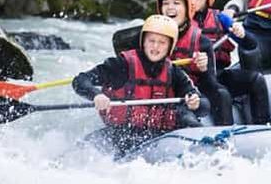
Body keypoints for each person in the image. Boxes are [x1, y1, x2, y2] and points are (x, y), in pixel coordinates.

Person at [73, 15, 201, 157]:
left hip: (161, 135)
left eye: (162, 42)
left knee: (187, 117)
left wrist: (194, 99)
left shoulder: (174, 72)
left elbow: (198, 99)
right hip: (122, 134)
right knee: (82, 151)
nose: (155, 47)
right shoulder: (121, 65)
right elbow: (80, 80)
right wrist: (96, 94)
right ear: (143, 42)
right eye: (151, 41)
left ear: (170, 46)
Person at [181, 0, 271, 124]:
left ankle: (263, 125)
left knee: (256, 80)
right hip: (192, 79)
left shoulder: (220, 18)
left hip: (219, 74)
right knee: (221, 93)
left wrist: (241, 34)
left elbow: (251, 44)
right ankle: (224, 138)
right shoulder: (177, 20)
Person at [157, 0, 234, 126]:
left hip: (187, 94)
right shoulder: (148, 37)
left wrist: (203, 69)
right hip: (158, 94)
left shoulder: (202, 41)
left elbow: (210, 83)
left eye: (176, 3)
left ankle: (225, 137)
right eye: (165, 3)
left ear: (188, 8)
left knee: (221, 94)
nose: (170, 8)